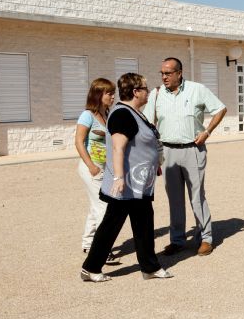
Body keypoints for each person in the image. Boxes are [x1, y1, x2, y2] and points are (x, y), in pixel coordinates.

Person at [81, 73, 172, 282]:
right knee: (111, 225)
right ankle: (91, 268)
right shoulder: (123, 114)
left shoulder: (135, 112)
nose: (148, 92)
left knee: (144, 225)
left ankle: (149, 267)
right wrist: (119, 179)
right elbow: (118, 147)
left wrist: (153, 163)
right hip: (126, 185)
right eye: (145, 89)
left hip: (139, 184)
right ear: (135, 92)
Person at [143, 57, 226, 257]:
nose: (164, 77)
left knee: (197, 197)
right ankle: (177, 240)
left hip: (193, 150)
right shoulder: (156, 94)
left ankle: (205, 238)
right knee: (174, 199)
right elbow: (146, 121)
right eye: (162, 73)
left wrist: (207, 132)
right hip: (168, 151)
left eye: (168, 73)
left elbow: (220, 109)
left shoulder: (197, 89)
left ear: (179, 73)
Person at [74, 78, 119, 264]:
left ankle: (88, 242)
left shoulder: (106, 115)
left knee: (95, 206)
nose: (112, 96)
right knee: (104, 207)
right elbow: (78, 141)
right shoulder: (87, 115)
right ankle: (102, 250)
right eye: (109, 93)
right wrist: (91, 166)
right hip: (91, 168)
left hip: (104, 168)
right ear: (99, 94)